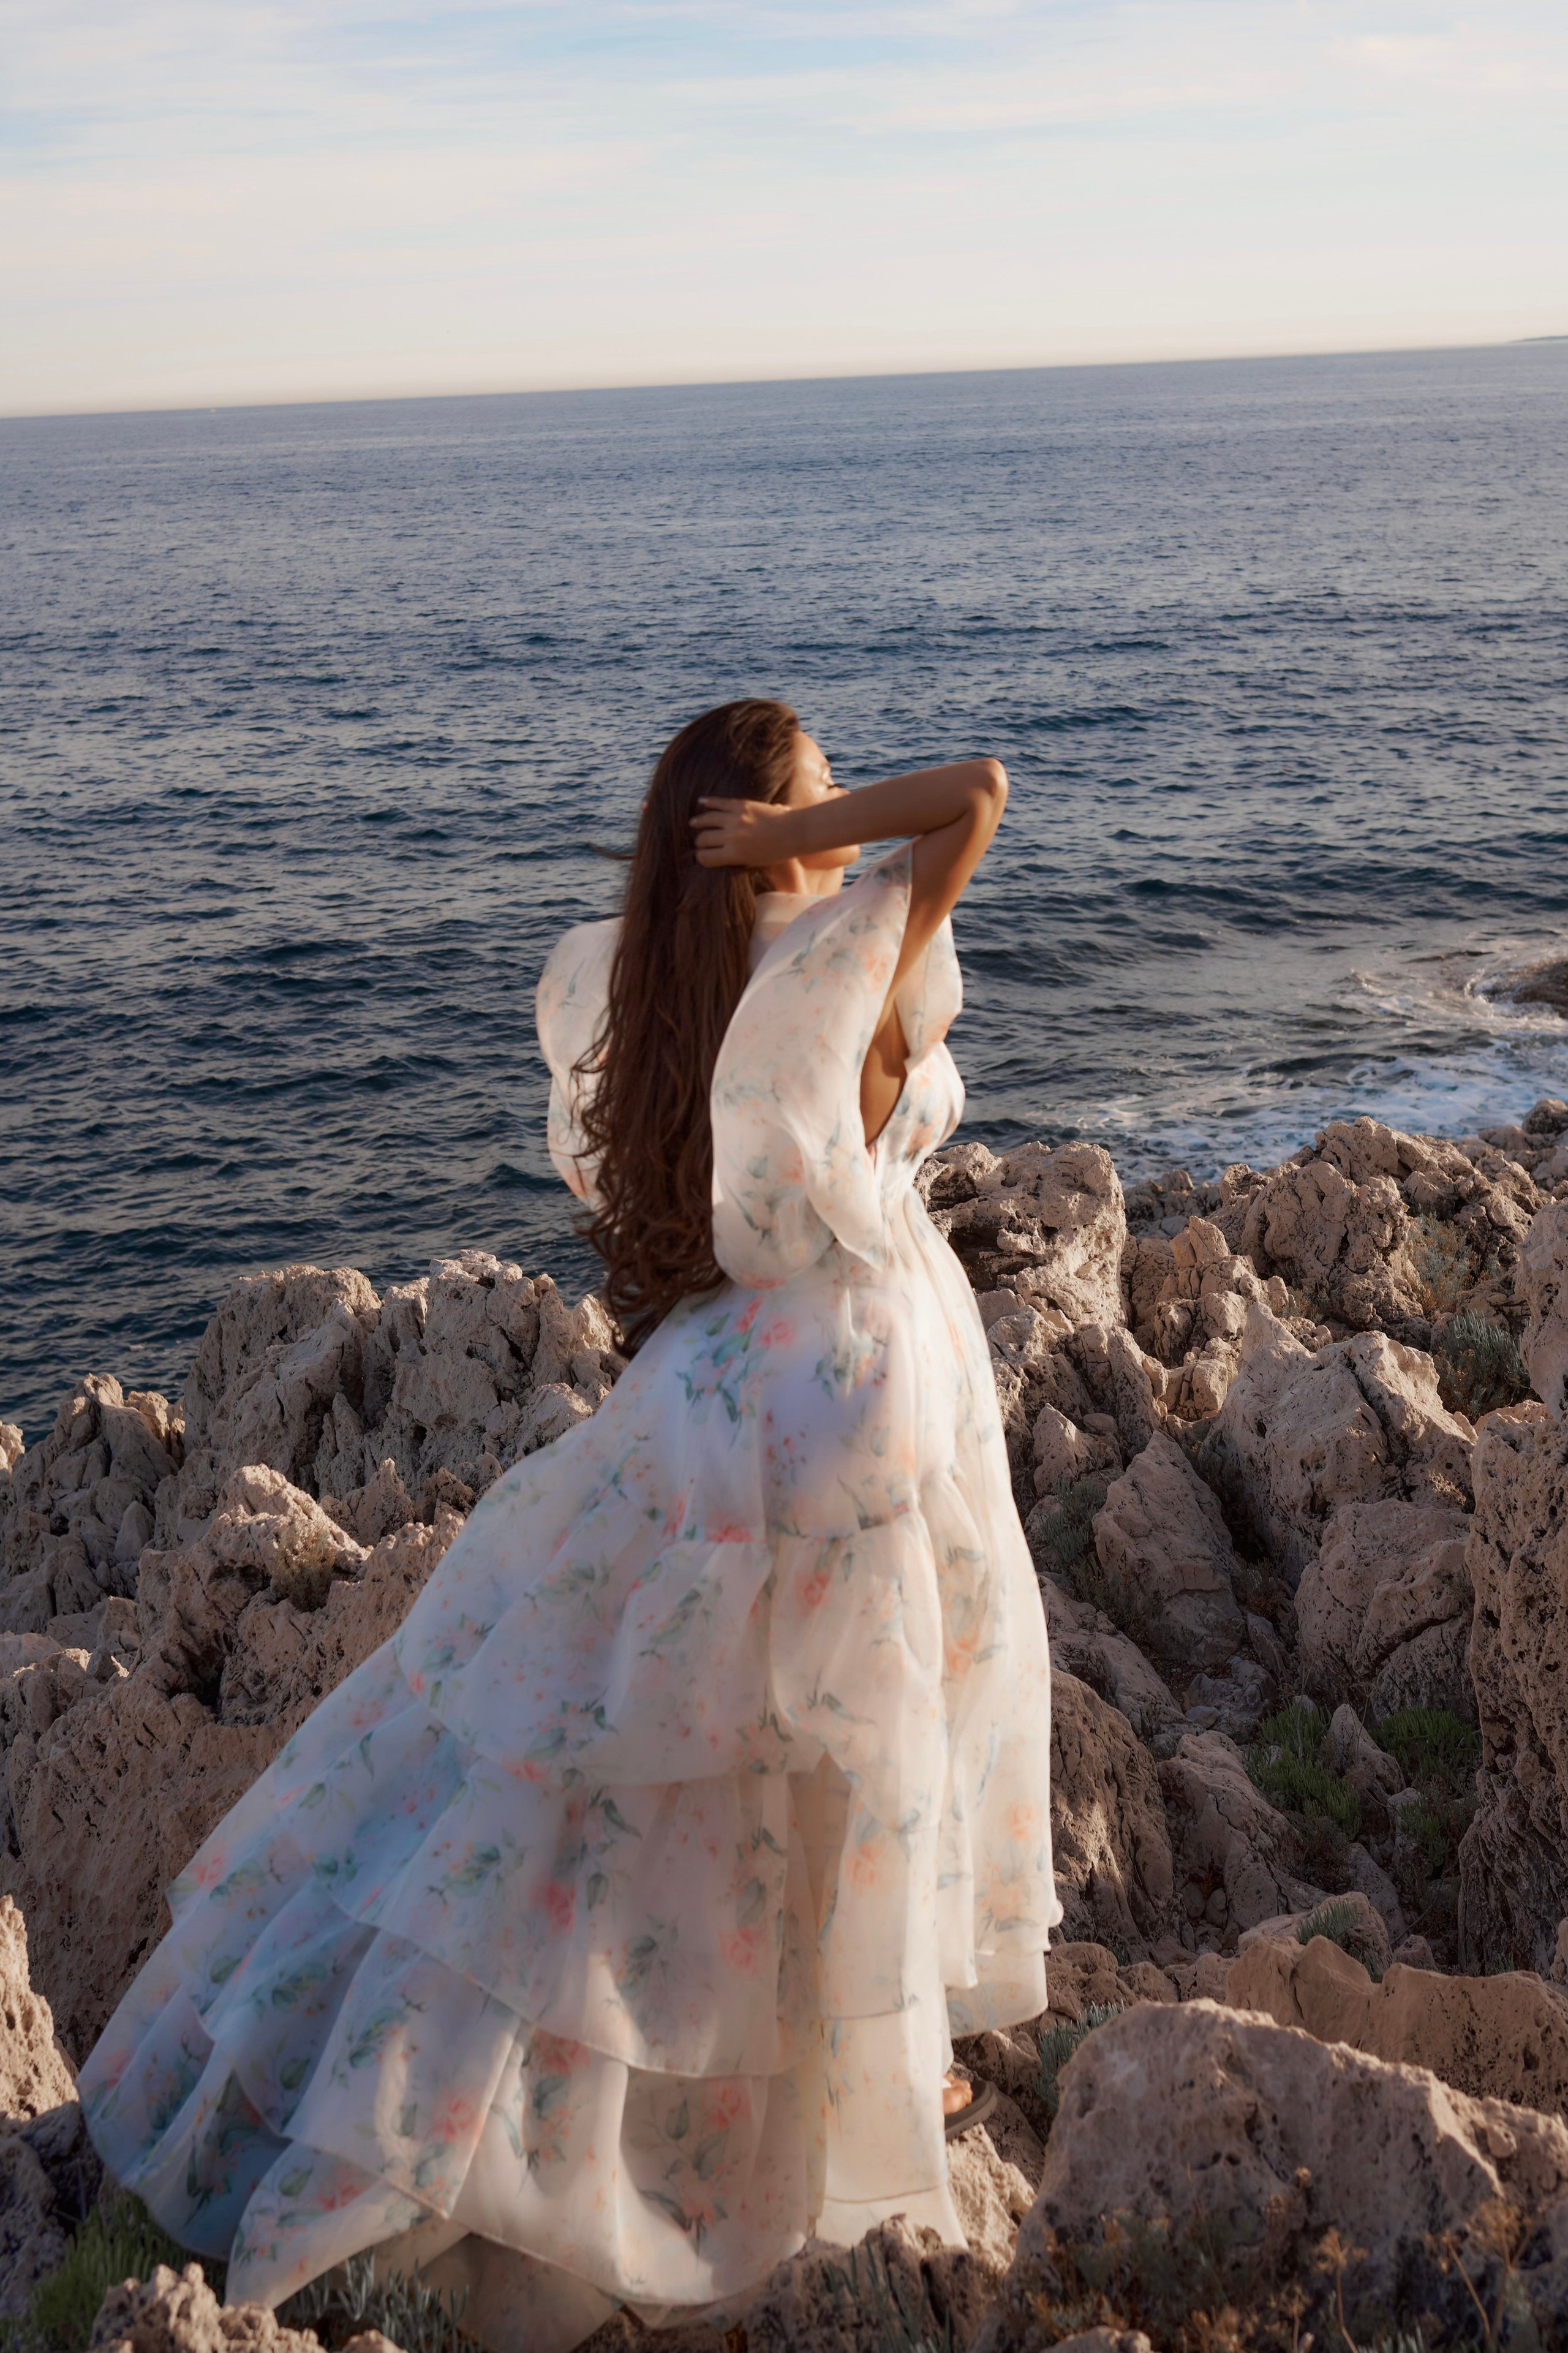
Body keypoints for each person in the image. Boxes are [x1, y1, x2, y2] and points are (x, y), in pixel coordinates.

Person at [80, 700, 1058, 2353]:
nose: (835, 811)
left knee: (616, 1768)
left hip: (720, 1382)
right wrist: (794, 844)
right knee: (846, 1749)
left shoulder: (659, 978)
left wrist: (745, 851)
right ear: (761, 822)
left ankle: (487, 2092)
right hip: (865, 1378)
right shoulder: (835, 952)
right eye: (817, 787)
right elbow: (977, 793)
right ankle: (829, 2098)